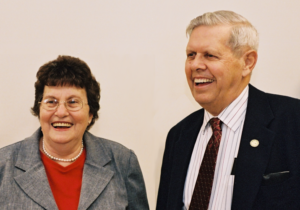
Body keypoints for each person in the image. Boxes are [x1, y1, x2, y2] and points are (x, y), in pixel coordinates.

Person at [156, 10, 300, 210]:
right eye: (191, 55)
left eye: (210, 55)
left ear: (247, 62)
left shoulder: (293, 121)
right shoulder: (179, 135)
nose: (196, 65)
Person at [0, 55, 149, 210]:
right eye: (51, 102)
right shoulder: (3, 164)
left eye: (73, 102)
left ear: (90, 114)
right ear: (39, 110)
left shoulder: (123, 162)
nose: (61, 112)